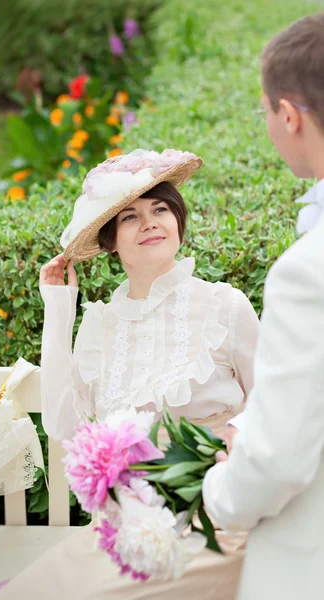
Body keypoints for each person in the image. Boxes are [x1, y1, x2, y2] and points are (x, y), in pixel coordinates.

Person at [0, 148, 260, 600]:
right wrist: (59, 311)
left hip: (215, 522)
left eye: (161, 209)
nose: (152, 222)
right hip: (126, 527)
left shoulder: (224, 306)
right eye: (131, 217)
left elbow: (273, 407)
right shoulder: (100, 326)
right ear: (110, 242)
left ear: (178, 221)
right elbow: (64, 426)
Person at [202, 13, 324, 600]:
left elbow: (279, 462)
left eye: (265, 113)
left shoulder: (306, 272)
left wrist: (219, 488)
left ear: (289, 115)